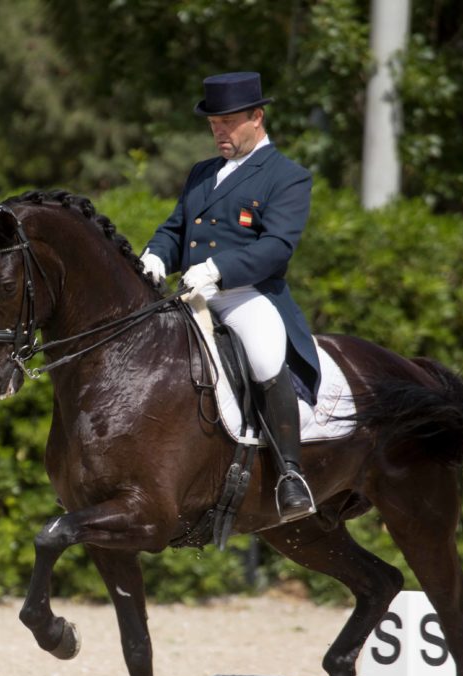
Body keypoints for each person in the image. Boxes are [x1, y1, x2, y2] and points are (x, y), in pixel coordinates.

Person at [141, 71, 319, 523]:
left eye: (228, 123)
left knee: (262, 357)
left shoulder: (287, 176)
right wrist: (155, 255)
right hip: (192, 292)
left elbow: (277, 246)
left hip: (247, 295)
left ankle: (289, 475)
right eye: (213, 124)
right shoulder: (203, 173)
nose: (219, 132)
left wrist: (219, 270)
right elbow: (175, 227)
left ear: (256, 118)